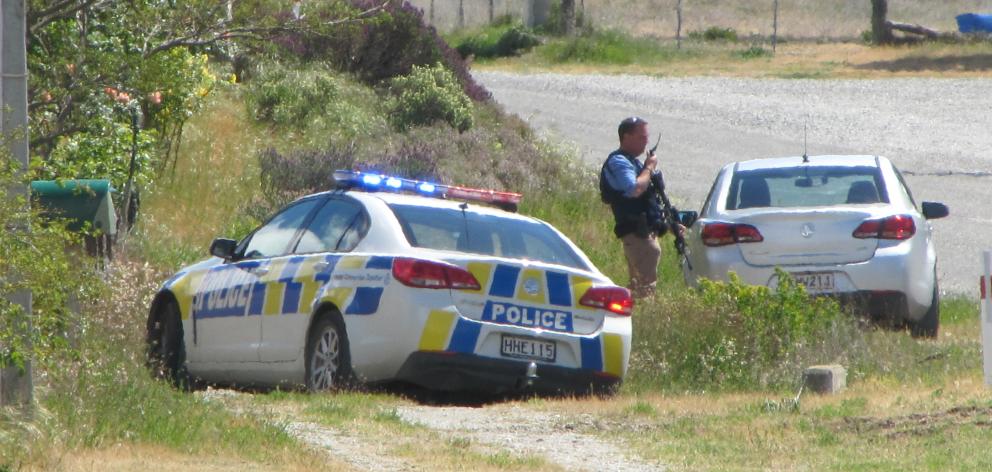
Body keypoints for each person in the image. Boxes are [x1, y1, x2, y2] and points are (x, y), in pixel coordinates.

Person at [599, 116, 669, 298]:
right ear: (626, 137)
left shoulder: (634, 162)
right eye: (641, 137)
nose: (646, 142)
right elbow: (634, 189)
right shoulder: (619, 161)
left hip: (646, 233)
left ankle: (633, 317)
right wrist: (649, 168)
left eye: (646, 137)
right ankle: (640, 320)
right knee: (644, 292)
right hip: (637, 235)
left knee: (639, 288)